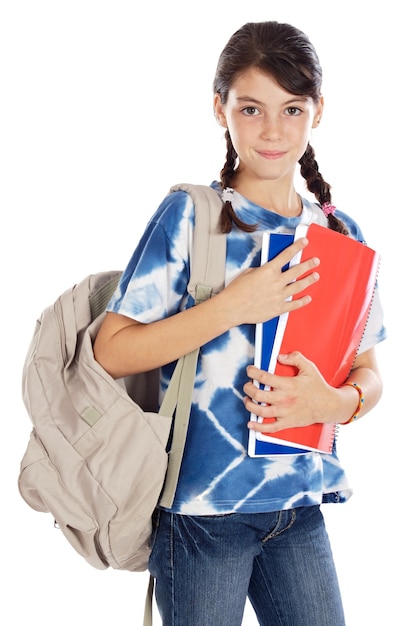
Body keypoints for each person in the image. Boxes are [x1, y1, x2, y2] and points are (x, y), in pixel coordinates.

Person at [93, 21, 385, 626]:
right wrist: (233, 306)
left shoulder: (339, 234)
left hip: (299, 506)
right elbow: (112, 352)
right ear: (220, 108)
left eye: (292, 108)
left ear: (318, 112)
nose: (273, 131)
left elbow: (369, 372)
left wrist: (336, 402)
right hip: (201, 514)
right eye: (251, 108)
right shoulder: (191, 217)